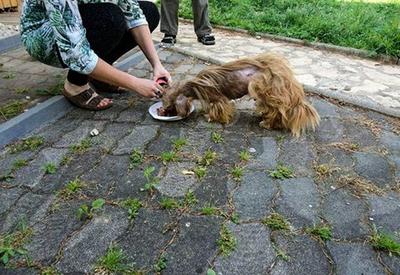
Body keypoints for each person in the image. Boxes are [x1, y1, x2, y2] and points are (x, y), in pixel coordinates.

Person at [20, 0, 171, 110]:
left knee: (149, 11)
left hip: (81, 19)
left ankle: (99, 77)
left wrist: (157, 65)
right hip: (44, 34)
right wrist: (135, 83)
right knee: (110, 18)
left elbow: (134, 14)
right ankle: (75, 84)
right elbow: (75, 51)